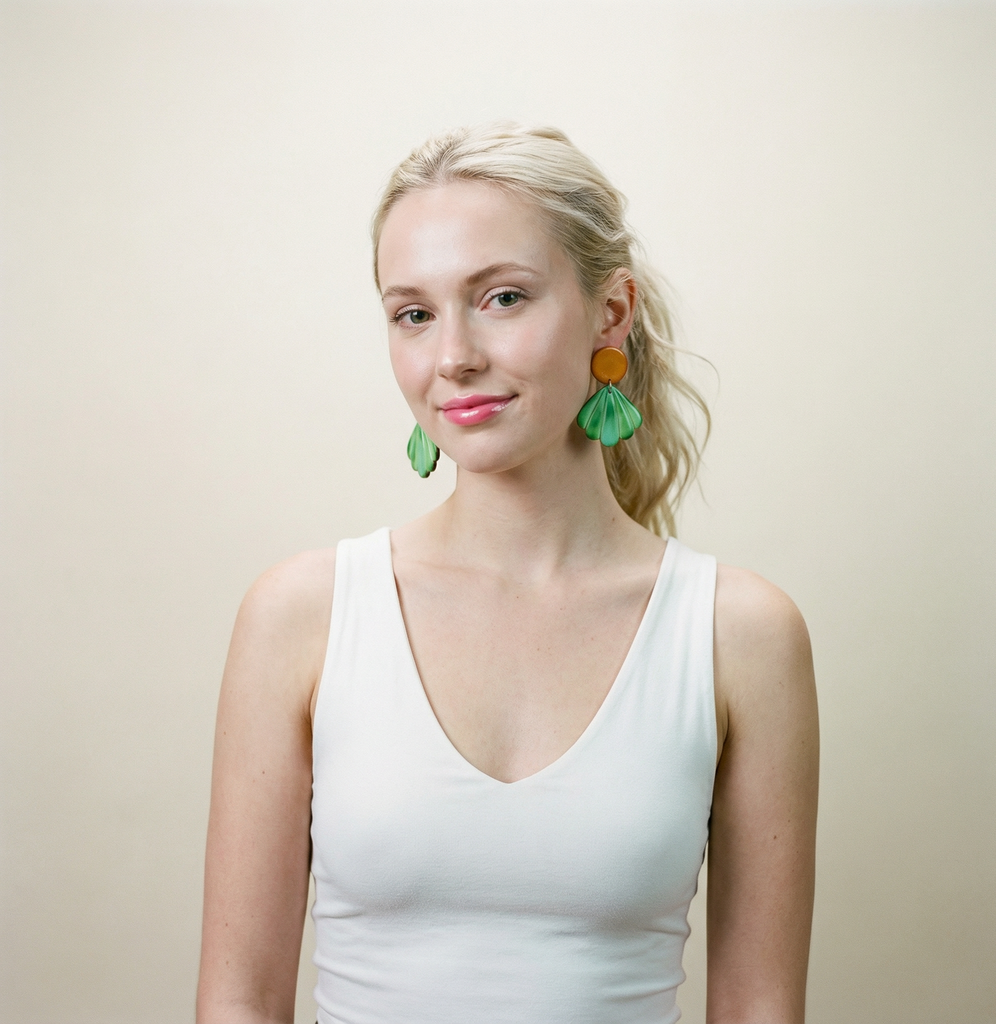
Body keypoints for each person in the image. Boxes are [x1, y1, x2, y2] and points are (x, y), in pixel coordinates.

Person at [196, 123, 819, 1024]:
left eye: (502, 298)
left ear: (611, 313)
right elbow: (240, 1001)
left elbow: (760, 1006)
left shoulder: (741, 634)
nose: (453, 356)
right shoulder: (301, 616)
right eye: (414, 314)